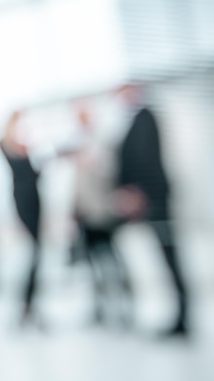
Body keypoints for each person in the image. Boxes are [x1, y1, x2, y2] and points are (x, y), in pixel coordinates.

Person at [114, 82, 189, 338]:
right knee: (166, 260)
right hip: (150, 200)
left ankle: (182, 318)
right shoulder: (137, 120)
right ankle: (179, 316)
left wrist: (138, 194)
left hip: (154, 201)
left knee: (171, 259)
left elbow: (145, 160)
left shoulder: (145, 118)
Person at [71, 100, 133, 327]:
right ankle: (99, 307)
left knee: (111, 263)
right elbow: (76, 184)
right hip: (85, 214)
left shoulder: (102, 142)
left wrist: (93, 163)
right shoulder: (79, 144)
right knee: (92, 265)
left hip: (103, 213)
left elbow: (112, 172)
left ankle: (123, 308)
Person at [0, 111, 43, 326]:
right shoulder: (9, 153)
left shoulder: (28, 157)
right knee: (29, 257)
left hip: (36, 208)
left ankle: (30, 305)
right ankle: (25, 306)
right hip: (25, 207)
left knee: (36, 258)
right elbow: (3, 139)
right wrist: (14, 118)